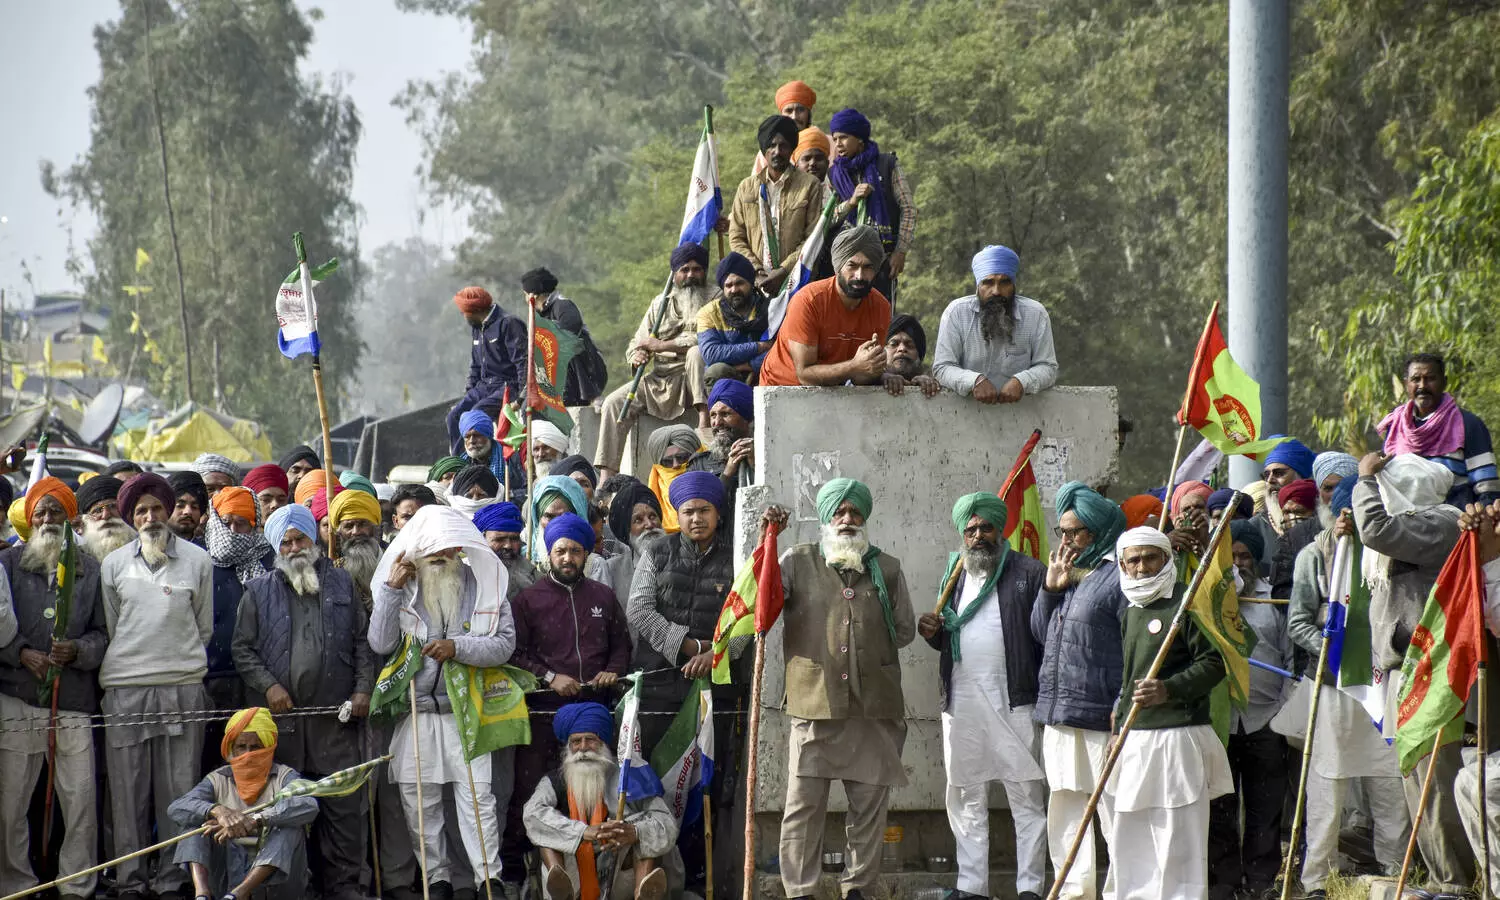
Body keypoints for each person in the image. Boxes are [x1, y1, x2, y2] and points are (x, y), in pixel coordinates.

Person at [759, 478, 916, 900]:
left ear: (865, 518)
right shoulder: (798, 561)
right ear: (826, 518)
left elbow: (904, 632)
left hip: (873, 708)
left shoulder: (887, 568)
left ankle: (858, 888)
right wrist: (767, 541)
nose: (847, 519)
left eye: (855, 512)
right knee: (803, 806)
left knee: (868, 806)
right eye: (839, 512)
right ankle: (801, 891)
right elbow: (764, 602)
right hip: (815, 702)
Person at [1353, 451, 1489, 892]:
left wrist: (1365, 480)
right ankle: (1440, 875)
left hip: (1433, 670)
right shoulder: (1420, 522)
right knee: (1417, 779)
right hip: (1409, 669)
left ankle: (1455, 882)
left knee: (1435, 781)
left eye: (1386, 486)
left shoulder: (1439, 523)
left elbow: (1375, 529)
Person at [368, 505, 514, 900]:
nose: (439, 555)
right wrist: (390, 590)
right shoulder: (402, 586)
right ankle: (437, 881)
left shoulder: (483, 584)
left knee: (478, 799)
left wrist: (457, 648)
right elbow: (380, 643)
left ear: (459, 547)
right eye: (430, 548)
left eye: (446, 547)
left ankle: (489, 881)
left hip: (467, 711)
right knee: (421, 801)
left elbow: (504, 645)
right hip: (415, 713)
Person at [232, 502, 373, 900]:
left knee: (343, 809)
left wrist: (363, 689)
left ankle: (345, 888)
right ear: (276, 547)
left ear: (313, 539)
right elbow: (242, 650)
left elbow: (362, 643)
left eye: (300, 539)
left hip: (336, 723)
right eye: (286, 542)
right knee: (287, 812)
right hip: (283, 727)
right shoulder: (258, 590)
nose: (294, 548)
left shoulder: (343, 583)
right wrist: (269, 687)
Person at [917, 493, 1047, 900]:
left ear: (999, 529)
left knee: (1025, 796)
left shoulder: (1029, 572)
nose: (977, 535)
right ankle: (972, 887)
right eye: (970, 529)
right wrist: (933, 633)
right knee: (966, 795)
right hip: (963, 702)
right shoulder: (954, 573)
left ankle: (1030, 888)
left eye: (985, 527)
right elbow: (953, 635)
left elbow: (1044, 637)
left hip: (1015, 701)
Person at [1285, 478, 1409, 895]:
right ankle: (1318, 879)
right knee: (1328, 782)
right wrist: (1331, 652)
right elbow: (1298, 623)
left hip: (1381, 684)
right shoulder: (1316, 556)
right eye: (1348, 512)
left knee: (1388, 779)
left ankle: (1396, 871)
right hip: (1332, 686)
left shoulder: (1388, 554)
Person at [99, 472, 216, 900]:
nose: (150, 517)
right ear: (131, 517)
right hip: (126, 690)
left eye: (156, 509)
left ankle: (172, 879)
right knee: (127, 793)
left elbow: (203, 627)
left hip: (182, 686)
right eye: (141, 511)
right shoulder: (114, 564)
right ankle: (130, 880)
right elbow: (114, 627)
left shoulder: (197, 560)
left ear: (167, 512)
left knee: (179, 790)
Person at [504, 513, 630, 893]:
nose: (568, 558)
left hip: (594, 716)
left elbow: (622, 645)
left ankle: (595, 872)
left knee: (594, 793)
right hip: (545, 715)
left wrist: (612, 671)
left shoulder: (603, 597)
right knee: (530, 793)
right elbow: (514, 653)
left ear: (586, 554)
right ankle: (522, 873)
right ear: (549, 553)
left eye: (575, 551)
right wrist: (549, 677)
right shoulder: (528, 600)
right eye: (561, 551)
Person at [1105, 526, 1232, 897]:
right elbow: (1129, 677)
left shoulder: (1187, 602)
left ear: (1166, 559)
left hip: (1178, 736)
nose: (1142, 567)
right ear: (1123, 566)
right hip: (1134, 738)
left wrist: (1169, 689)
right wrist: (1118, 728)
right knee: (1129, 830)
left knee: (1179, 833)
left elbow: (1214, 664)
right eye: (1134, 560)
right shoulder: (1129, 610)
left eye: (1150, 558)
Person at [0, 479, 106, 900]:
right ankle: (16, 884)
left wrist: (78, 650)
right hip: (17, 695)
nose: (47, 520)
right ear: (30, 519)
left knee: (80, 798)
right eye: (40, 513)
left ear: (69, 518)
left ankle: (76, 885)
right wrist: (21, 652)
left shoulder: (90, 568)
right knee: (10, 801)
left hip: (73, 698)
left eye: (55, 512)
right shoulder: (8, 564)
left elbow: (102, 634)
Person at [1031, 480, 1126, 900]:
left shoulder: (1120, 574)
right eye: (1063, 531)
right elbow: (1040, 634)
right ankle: (1073, 892)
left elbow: (1134, 649)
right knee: (1066, 806)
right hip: (1059, 713)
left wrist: (1121, 707)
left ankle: (1123, 891)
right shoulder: (1067, 574)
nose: (1066, 541)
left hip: (1101, 715)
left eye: (1075, 532)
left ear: (1098, 532)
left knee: (1113, 810)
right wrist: (1050, 589)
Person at [1206, 520, 1293, 898]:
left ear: (1256, 559)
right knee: (1220, 808)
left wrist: (1282, 713)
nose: (1238, 563)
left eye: (1244, 556)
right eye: (1231, 556)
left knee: (1265, 808)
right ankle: (1224, 884)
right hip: (1222, 723)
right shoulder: (1208, 601)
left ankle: (1261, 882)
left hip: (1266, 720)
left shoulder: (1273, 600)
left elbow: (1291, 661)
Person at [522, 702, 676, 900]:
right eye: (576, 742)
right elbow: (532, 814)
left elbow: (666, 821)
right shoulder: (554, 781)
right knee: (547, 831)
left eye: (590, 740)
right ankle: (562, 892)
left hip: (619, 871)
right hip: (572, 873)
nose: (583, 748)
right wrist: (582, 832)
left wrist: (632, 831)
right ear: (568, 747)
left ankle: (642, 893)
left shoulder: (629, 777)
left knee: (647, 833)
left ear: (603, 742)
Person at [168, 707, 320, 900]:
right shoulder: (217, 779)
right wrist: (217, 810)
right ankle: (202, 894)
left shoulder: (285, 776)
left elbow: (309, 805)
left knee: (290, 828)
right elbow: (177, 808)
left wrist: (256, 820)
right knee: (194, 824)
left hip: (277, 883)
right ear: (232, 749)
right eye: (241, 746)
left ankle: (239, 894)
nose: (248, 754)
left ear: (269, 747)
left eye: (256, 747)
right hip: (227, 872)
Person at [594, 243, 712, 480]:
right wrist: (636, 356)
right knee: (613, 404)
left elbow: (706, 338)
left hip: (697, 381)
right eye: (684, 270)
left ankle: (704, 422)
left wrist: (662, 346)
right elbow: (637, 342)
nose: (690, 275)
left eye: (697, 269)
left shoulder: (715, 297)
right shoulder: (660, 304)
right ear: (675, 274)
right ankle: (606, 480)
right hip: (660, 380)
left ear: (704, 272)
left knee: (696, 352)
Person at [759, 225, 891, 387]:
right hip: (781, 388)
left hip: (833, 390)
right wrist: (855, 366)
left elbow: (861, 377)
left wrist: (881, 375)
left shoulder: (881, 307)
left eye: (868, 267)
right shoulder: (809, 301)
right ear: (838, 267)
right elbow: (805, 375)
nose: (859, 275)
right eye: (852, 265)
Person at [203, 486, 275, 773]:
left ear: (254, 525)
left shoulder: (269, 560)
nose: (233, 531)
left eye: (241, 523)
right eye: (227, 522)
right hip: (211, 677)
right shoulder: (199, 559)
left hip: (258, 680)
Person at [932, 245, 1058, 404]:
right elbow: (942, 367)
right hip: (964, 414)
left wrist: (1021, 381)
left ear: (1013, 285)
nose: (996, 291)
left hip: (1023, 413)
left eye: (1004, 282)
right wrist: (974, 381)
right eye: (988, 283)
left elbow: (1048, 368)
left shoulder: (1036, 314)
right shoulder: (956, 313)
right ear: (978, 287)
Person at [1379, 351, 1500, 507]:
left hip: (1454, 517)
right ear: (1406, 384)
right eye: (1416, 379)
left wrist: (1481, 515)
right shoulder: (1395, 426)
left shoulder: (1467, 424)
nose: (1422, 386)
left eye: (1430, 379)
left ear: (1444, 382)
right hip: (1402, 518)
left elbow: (1487, 486)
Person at [826, 108, 917, 299]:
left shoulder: (887, 164)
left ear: (859, 138)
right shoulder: (833, 174)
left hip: (883, 261)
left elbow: (908, 209)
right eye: (835, 139)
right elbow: (827, 219)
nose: (838, 144)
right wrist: (851, 202)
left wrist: (901, 251)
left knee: (881, 311)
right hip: (846, 263)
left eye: (843, 137)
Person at [729, 115, 824, 296]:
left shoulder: (809, 185)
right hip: (755, 284)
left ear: (791, 149)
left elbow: (812, 237)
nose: (777, 151)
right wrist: (756, 272)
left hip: (795, 281)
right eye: (772, 145)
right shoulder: (746, 187)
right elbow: (736, 237)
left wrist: (782, 271)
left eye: (783, 146)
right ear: (764, 150)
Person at [447, 285, 528, 455]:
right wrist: (468, 395)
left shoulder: (508, 323)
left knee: (476, 415)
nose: (463, 316)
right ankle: (459, 464)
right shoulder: (477, 328)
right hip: (484, 386)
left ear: (475, 310)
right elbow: (475, 366)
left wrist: (521, 398)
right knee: (454, 416)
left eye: (464, 312)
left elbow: (523, 362)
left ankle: (482, 462)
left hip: (508, 385)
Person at [696, 252, 771, 379]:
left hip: (766, 372)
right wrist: (758, 346)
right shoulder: (708, 312)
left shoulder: (770, 308)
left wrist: (749, 365)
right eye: (729, 285)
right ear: (723, 288)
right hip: (729, 376)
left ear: (751, 283)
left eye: (739, 283)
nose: (734, 290)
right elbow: (711, 354)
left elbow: (779, 347)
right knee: (716, 371)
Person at [685, 378, 755, 513]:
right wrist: (727, 473)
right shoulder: (699, 465)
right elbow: (701, 513)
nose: (717, 422)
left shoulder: (767, 458)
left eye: (725, 414)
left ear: (746, 418)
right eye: (713, 415)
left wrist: (755, 466)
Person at [330, 487, 386, 605]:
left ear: (374, 527)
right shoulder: (334, 571)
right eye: (348, 526)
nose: (356, 532)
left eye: (362, 524)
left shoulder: (393, 561)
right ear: (340, 533)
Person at [642, 425, 701, 534]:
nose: (675, 465)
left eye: (682, 458)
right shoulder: (649, 501)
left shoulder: (716, 477)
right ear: (659, 465)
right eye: (667, 462)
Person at [474, 502, 536, 599]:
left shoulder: (535, 578)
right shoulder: (467, 576)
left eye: (514, 539)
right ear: (482, 539)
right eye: (499, 539)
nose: (508, 546)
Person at [75, 473, 135, 562]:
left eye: (113, 506)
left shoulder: (143, 548)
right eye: (97, 510)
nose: (106, 515)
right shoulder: (76, 559)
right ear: (85, 521)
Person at [881, 313, 940, 398]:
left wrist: (928, 386)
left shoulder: (930, 385)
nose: (902, 349)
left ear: (919, 355)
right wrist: (879, 379)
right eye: (894, 344)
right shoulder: (866, 380)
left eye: (909, 345)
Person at [607, 480, 664, 555]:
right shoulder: (614, 563)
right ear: (627, 531)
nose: (649, 524)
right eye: (638, 520)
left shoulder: (679, 558)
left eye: (652, 516)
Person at [169, 469, 211, 543]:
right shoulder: (149, 546)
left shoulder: (209, 548)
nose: (188, 512)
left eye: (194, 507)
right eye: (180, 506)